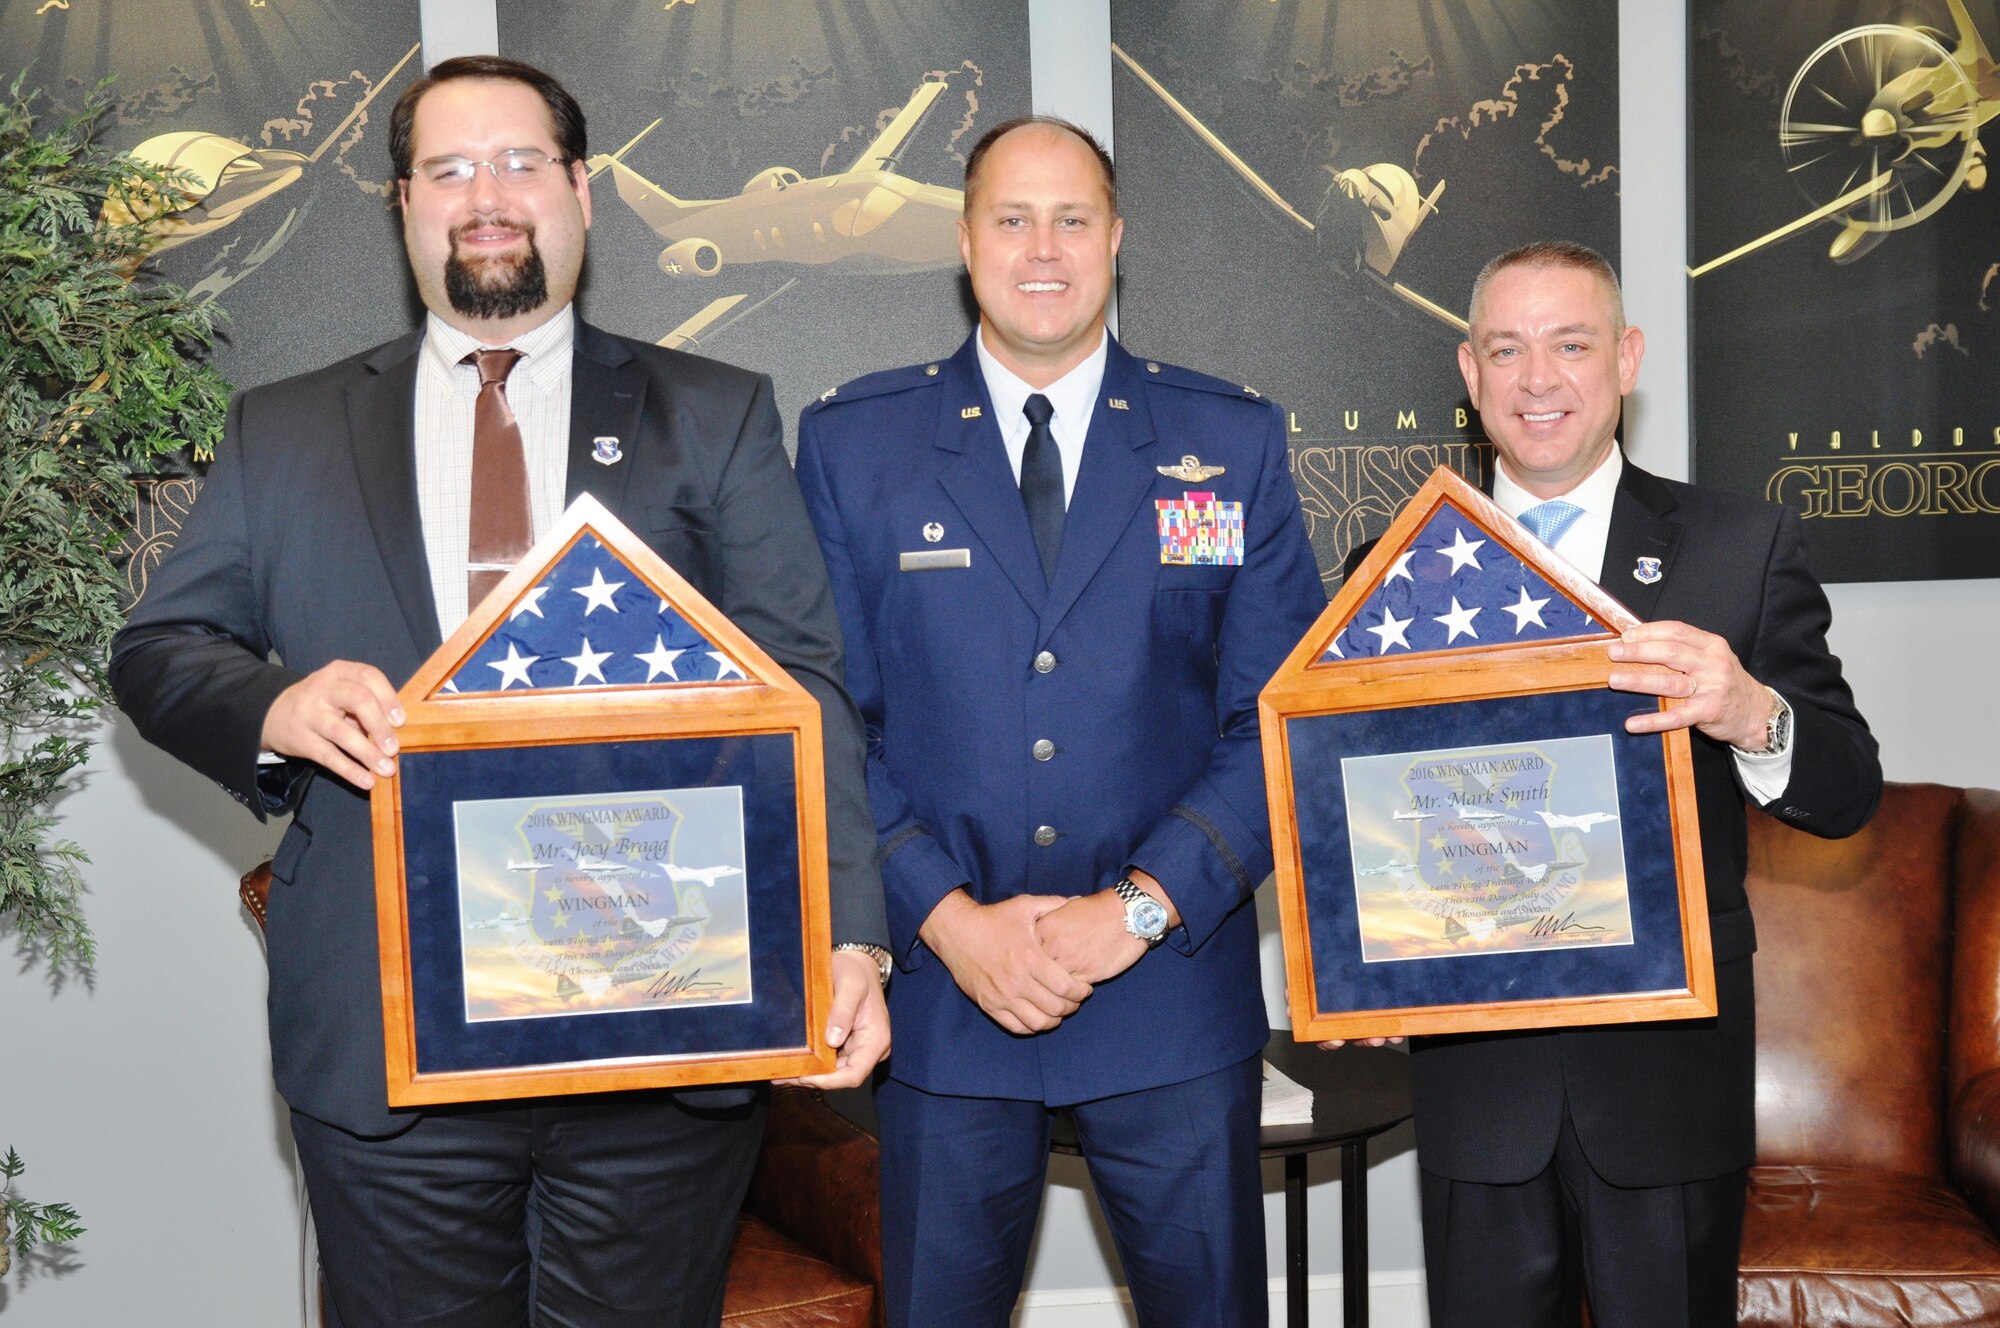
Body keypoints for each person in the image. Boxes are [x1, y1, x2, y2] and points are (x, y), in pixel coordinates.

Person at [110, 56, 890, 1328]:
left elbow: (804, 682)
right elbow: (157, 649)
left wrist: (849, 935)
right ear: (403, 202)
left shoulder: (713, 413)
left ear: (579, 190)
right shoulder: (283, 429)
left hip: (657, 1030)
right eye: (450, 168)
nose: (488, 196)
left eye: (522, 162)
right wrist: (273, 705)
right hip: (382, 1043)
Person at [793, 116, 1327, 1328]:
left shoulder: (1226, 442)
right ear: (965, 242)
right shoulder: (853, 444)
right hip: (946, 1000)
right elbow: (827, 720)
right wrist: (943, 915)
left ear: (1117, 238)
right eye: (1011, 217)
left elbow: (1280, 716)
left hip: (1166, 992)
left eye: (1072, 217)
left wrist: (1133, 909)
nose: (1044, 248)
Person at [1378, 241, 1882, 1328]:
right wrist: (1370, 948)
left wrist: (1750, 708)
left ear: (1625, 358)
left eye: (1570, 343)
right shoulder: (1400, 565)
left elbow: (1844, 788)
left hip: (1665, 1082)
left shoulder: (1738, 545)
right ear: (1469, 373)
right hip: (1478, 1086)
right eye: (1506, 350)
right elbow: (1364, 810)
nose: (1537, 379)